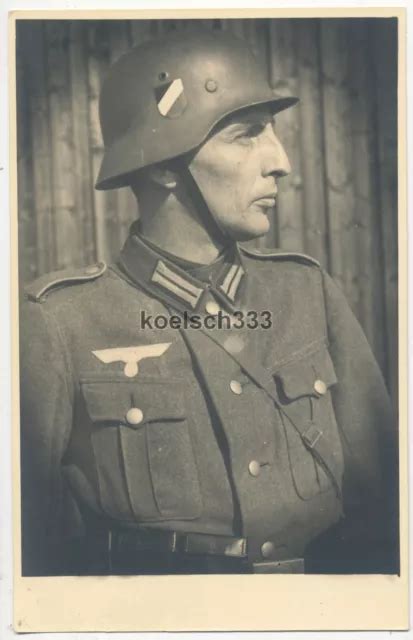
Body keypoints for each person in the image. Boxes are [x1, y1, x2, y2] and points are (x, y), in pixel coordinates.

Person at [19, 28, 398, 576]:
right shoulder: (61, 322)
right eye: (246, 136)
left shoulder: (305, 291)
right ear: (164, 165)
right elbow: (28, 557)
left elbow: (385, 505)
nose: (281, 161)